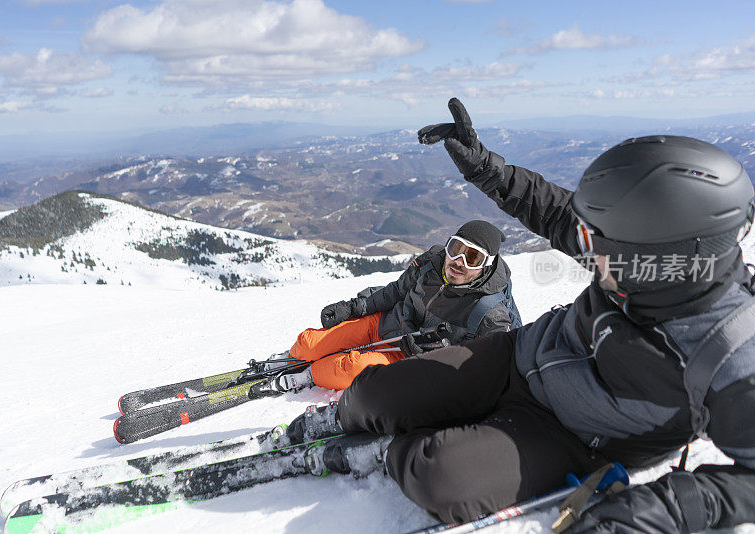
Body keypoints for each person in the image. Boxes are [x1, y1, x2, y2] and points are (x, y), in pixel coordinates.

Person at [296, 99, 755, 531]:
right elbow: (554, 211)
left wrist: (666, 508)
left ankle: (385, 451)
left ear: (667, 255)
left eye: (602, 243)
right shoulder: (627, 251)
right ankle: (348, 420)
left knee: (438, 475)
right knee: (375, 394)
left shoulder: (734, 347)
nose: (586, 247)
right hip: (519, 357)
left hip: (574, 435)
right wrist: (482, 167)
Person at [250, 219, 522, 395]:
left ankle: (309, 375)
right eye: (456, 247)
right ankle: (293, 357)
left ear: (486, 265)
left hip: (406, 357)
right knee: (310, 343)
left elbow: (481, 373)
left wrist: (432, 358)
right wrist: (353, 307)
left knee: (348, 369)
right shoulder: (432, 261)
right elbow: (396, 291)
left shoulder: (490, 314)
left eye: (472, 257)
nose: (459, 260)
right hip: (385, 322)